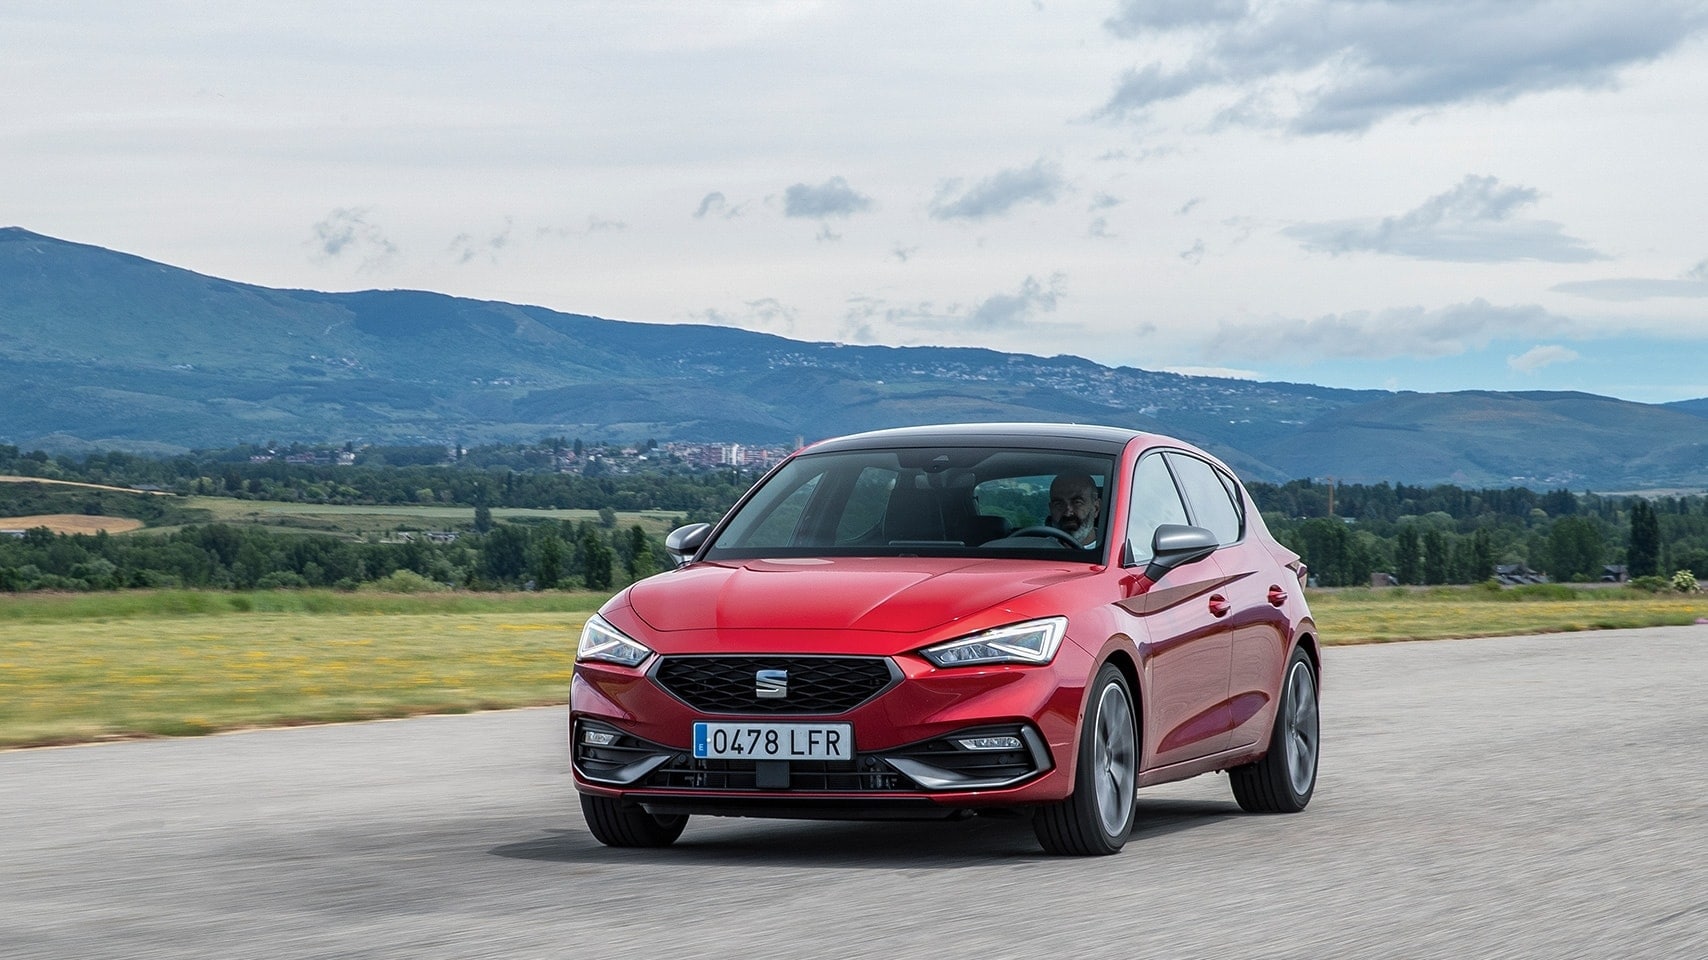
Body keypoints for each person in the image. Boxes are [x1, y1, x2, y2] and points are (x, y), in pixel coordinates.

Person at [1047, 472, 1101, 547]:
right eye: (1059, 504)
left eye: (1077, 502)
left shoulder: (1112, 549)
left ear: (1096, 508)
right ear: (1051, 509)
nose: (1068, 513)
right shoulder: (1038, 549)